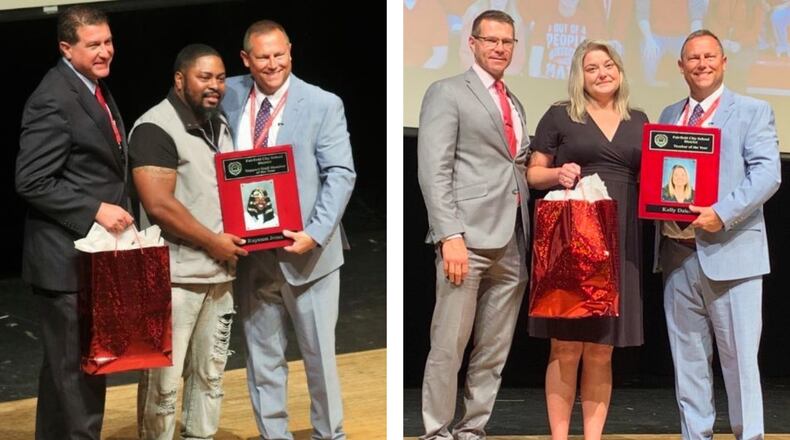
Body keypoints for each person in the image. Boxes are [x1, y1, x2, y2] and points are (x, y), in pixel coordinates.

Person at [221, 20, 356, 440]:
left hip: (308, 252)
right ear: (246, 59)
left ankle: (328, 435)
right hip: (251, 254)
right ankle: (272, 435)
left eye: (280, 54)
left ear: (291, 52)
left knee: (319, 359)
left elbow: (340, 174)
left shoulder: (321, 103)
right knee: (262, 359)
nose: (273, 63)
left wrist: (314, 233)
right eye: (262, 57)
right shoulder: (228, 95)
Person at [655, 29, 780, 439]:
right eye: (693, 58)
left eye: (710, 56)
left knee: (740, 363)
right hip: (677, 255)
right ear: (680, 66)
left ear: (724, 62)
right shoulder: (670, 115)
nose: (702, 64)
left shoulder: (752, 110)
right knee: (687, 362)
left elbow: (767, 173)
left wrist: (721, 214)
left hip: (732, 253)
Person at [14, 5, 133, 439]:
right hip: (63, 263)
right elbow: (31, 180)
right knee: (79, 375)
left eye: (108, 41)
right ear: (67, 48)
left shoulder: (88, 86)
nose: (105, 52)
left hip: (85, 260)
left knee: (63, 372)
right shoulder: (54, 97)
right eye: (93, 45)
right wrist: (94, 209)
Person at [417, 10, 530, 440]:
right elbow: (434, 168)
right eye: (492, 40)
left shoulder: (514, 102)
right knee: (449, 345)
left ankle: (472, 428)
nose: (500, 48)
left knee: (493, 349)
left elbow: (513, 167)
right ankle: (437, 430)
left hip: (513, 240)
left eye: (508, 42)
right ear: (474, 43)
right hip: (467, 240)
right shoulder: (447, 92)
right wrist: (450, 235)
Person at [526, 39, 647, 440]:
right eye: (592, 67)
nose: (602, 73)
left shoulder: (640, 120)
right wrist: (557, 175)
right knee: (565, 347)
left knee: (601, 350)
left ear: (620, 71)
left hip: (621, 242)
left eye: (608, 65)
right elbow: (533, 174)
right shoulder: (561, 116)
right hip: (572, 241)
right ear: (580, 75)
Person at [128, 44, 248, 439]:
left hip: (218, 276)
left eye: (220, 77)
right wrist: (214, 241)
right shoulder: (155, 127)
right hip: (173, 280)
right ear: (180, 80)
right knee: (163, 386)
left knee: (211, 376)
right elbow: (159, 205)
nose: (215, 85)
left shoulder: (221, 124)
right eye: (204, 77)